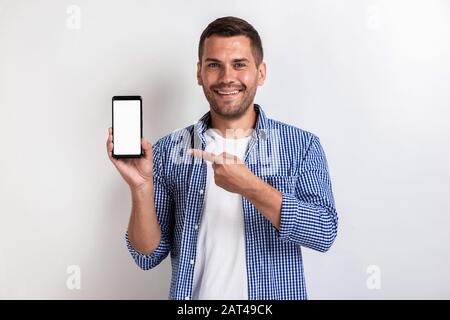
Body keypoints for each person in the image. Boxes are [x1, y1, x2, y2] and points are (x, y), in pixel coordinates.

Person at [106, 16, 338, 300]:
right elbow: (147, 255)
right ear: (199, 74)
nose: (227, 77)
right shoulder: (170, 149)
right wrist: (140, 187)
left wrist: (249, 186)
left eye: (239, 64)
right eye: (214, 65)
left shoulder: (300, 145)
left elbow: (324, 232)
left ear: (260, 73)